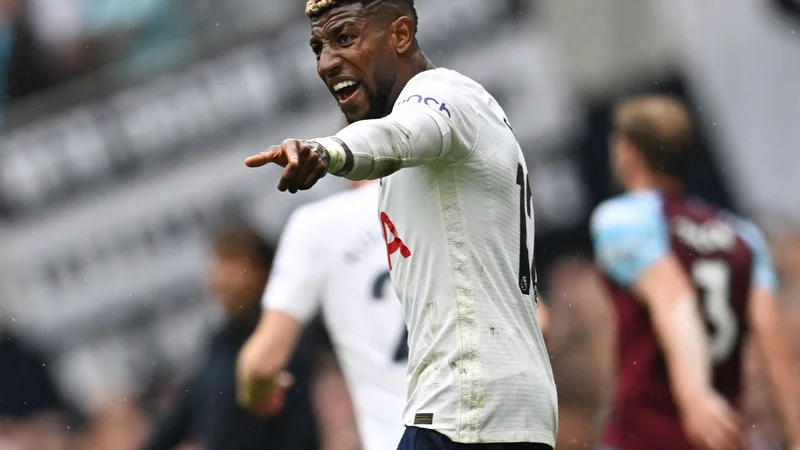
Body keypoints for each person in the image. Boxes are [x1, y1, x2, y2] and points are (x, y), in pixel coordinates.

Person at [237, 0, 557, 448]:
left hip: (457, 412)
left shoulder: (442, 94)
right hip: (516, 409)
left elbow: (399, 133)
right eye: (317, 48)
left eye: (344, 38)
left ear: (401, 35)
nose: (327, 62)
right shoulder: (448, 148)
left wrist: (327, 151)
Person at [590, 95, 800, 450]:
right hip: (721, 437)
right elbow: (776, 352)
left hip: (646, 435)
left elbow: (676, 302)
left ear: (629, 153)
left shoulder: (623, 218)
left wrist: (694, 395)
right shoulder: (742, 235)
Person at [237, 180, 408, 450]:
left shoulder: (319, 226)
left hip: (401, 438)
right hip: (492, 427)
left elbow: (260, 364)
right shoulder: (453, 188)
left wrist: (256, 390)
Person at [141, 224, 319, 450]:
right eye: (218, 262)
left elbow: (296, 427)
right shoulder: (217, 344)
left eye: (233, 261)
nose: (221, 276)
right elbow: (184, 413)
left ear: (261, 270)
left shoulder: (282, 338)